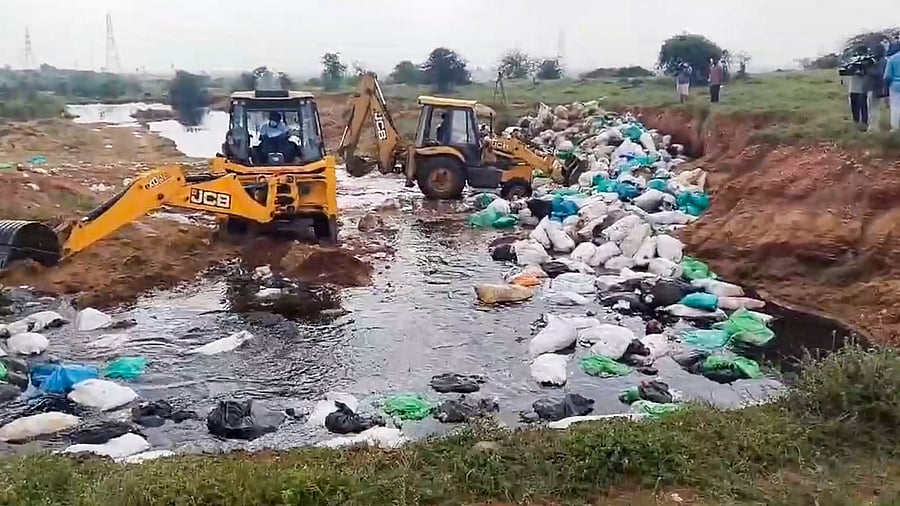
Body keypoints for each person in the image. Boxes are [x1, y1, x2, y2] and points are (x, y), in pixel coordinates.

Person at [865, 45, 889, 132]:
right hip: (878, 87)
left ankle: (873, 128)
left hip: (874, 87)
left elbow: (878, 73)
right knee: (874, 108)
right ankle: (873, 127)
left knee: (873, 108)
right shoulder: (884, 61)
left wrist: (867, 69)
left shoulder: (880, 62)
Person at [886, 47, 900, 132]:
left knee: (895, 107)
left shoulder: (892, 58)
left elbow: (887, 76)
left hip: (895, 85)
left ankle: (895, 128)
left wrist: (888, 85)